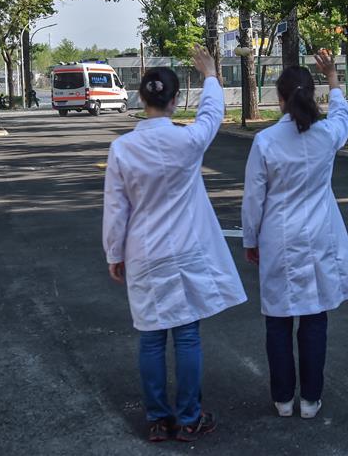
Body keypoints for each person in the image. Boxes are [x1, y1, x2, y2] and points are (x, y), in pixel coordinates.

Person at [102, 47, 247, 442]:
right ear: (175, 99)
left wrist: (114, 253)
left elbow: (117, 207)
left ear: (140, 98)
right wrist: (212, 75)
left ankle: (157, 418)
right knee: (186, 335)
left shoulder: (122, 149)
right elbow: (212, 116)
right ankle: (188, 417)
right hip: (184, 250)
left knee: (151, 335)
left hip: (143, 252)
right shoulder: (187, 142)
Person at [241, 49, 348, 420]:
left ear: (279, 98)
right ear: (312, 95)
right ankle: (311, 399)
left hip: (279, 237)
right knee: (314, 317)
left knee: (277, 318)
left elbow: (253, 199)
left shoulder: (266, 141)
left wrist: (250, 240)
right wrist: (334, 80)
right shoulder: (326, 136)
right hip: (320, 236)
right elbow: (344, 117)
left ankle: (282, 399)